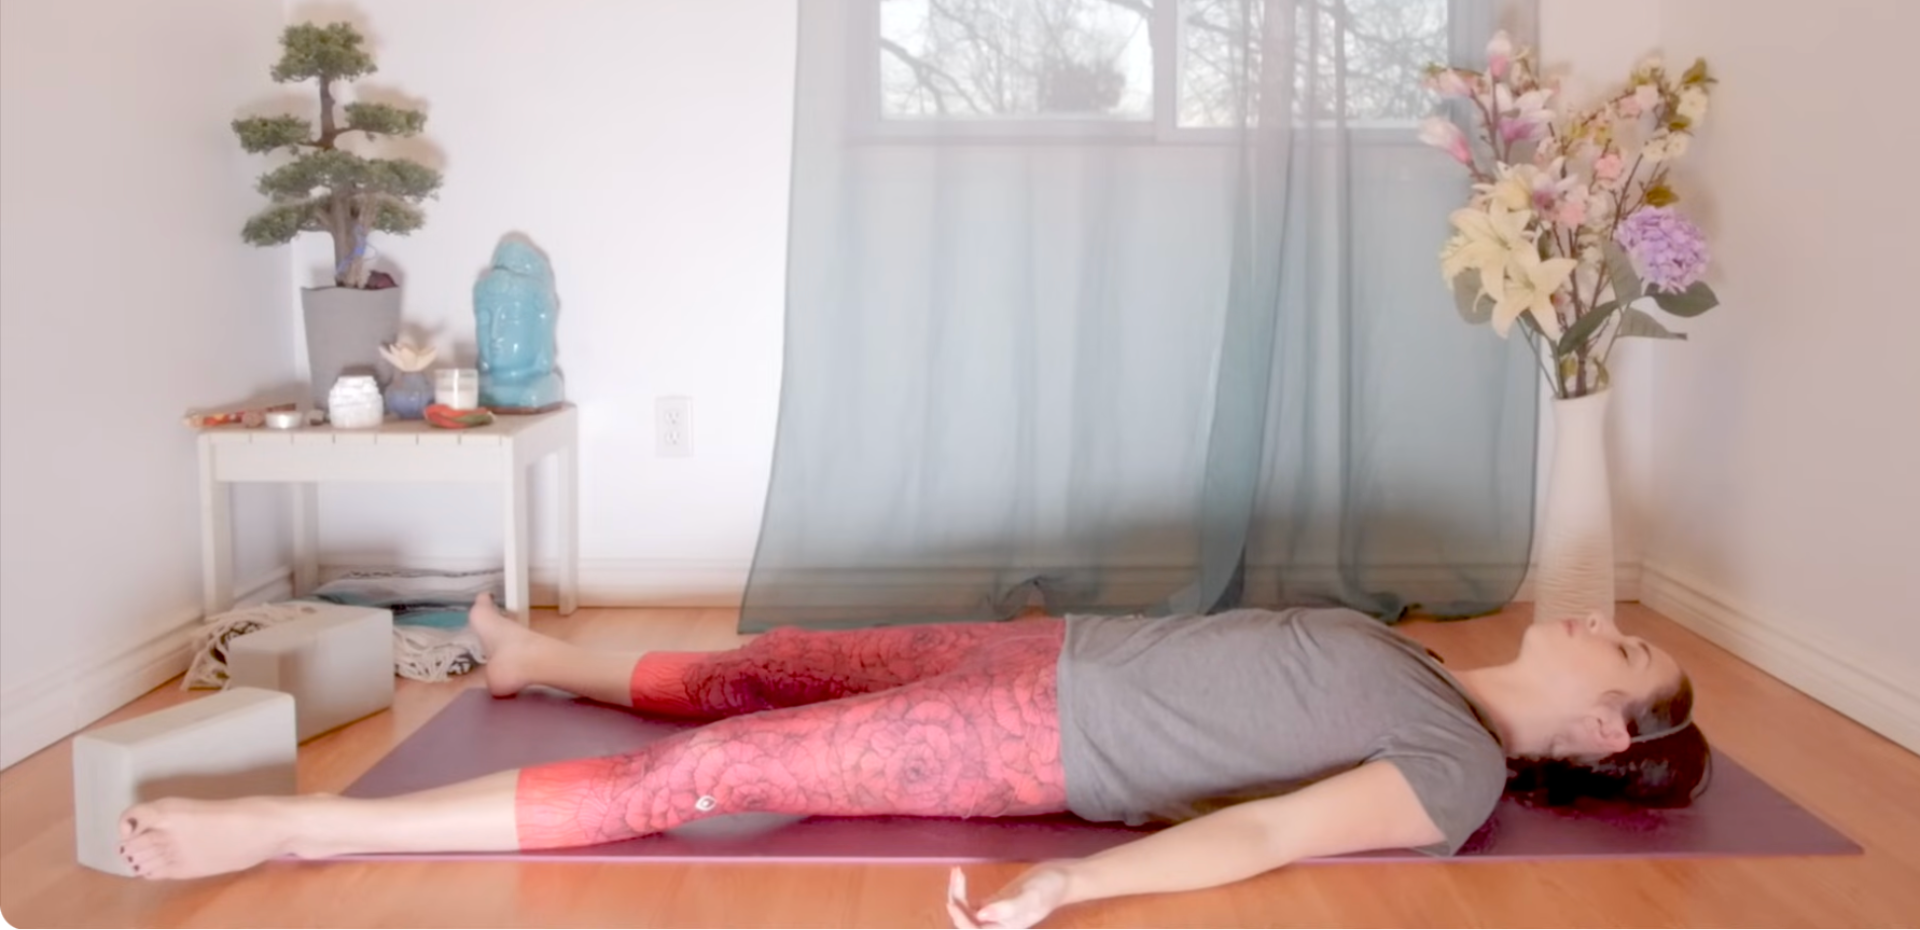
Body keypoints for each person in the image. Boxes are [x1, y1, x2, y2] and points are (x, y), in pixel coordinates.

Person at [116, 596, 1710, 929]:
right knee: (773, 658)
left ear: (1593, 733)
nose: (1596, 622)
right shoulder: (1431, 655)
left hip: (1035, 736)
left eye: (1619, 653)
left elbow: (1258, 846)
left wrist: (1065, 889)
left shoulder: (1456, 772)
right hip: (1046, 651)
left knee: (715, 769)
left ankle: (289, 830)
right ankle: (542, 660)